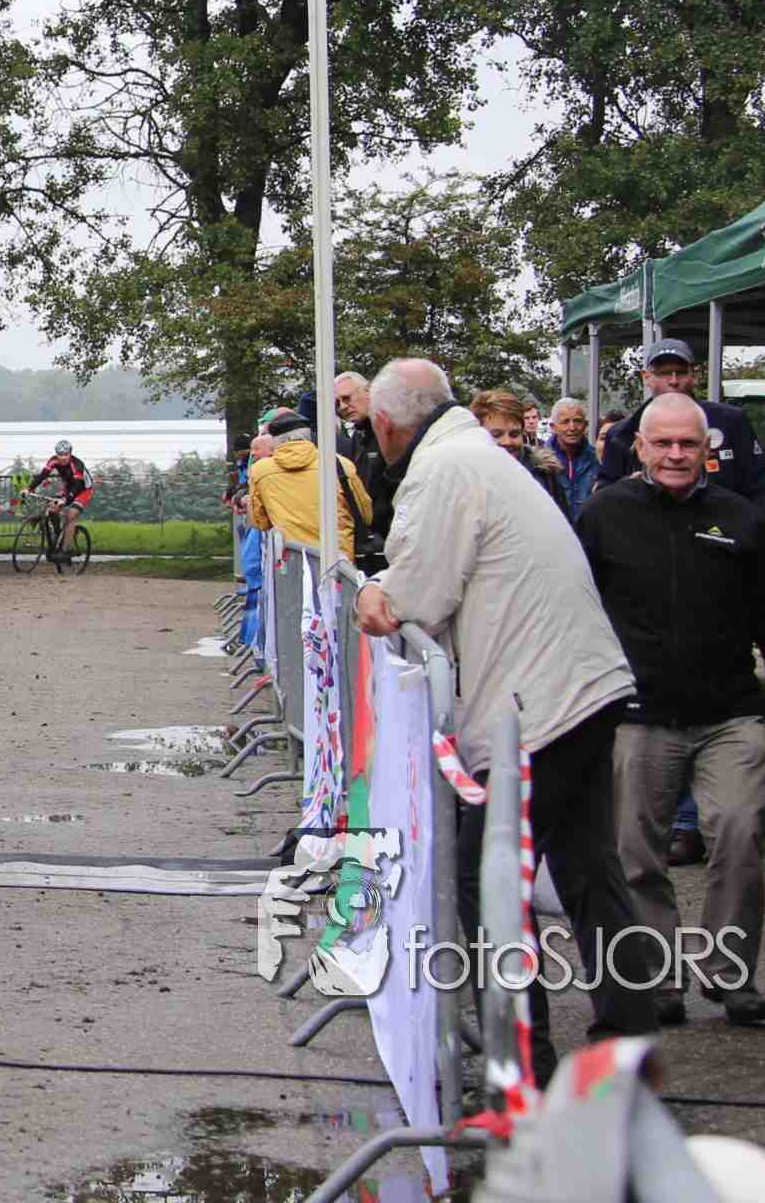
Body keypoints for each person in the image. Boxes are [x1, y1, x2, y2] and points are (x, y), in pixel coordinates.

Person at [354, 358, 660, 1073]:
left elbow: (418, 598)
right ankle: (628, 1032)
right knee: (587, 868)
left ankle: (523, 1062)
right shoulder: (478, 455)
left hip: (539, 706)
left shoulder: (442, 468)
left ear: (385, 424)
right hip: (583, 688)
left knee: (483, 878)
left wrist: (373, 593)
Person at [577, 392, 765, 1028]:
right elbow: (574, 613)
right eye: (663, 443)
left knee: (741, 834)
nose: (676, 454)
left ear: (708, 449)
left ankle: (729, 972)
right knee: (637, 855)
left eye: (688, 443)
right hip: (637, 714)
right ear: (640, 447)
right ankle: (658, 978)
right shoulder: (604, 515)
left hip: (728, 713)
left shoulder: (741, 518)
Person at [598, 338, 765, 501]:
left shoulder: (730, 422)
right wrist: (628, 487)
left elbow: (758, 490)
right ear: (646, 377)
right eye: (664, 373)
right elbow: (603, 495)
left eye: (681, 372)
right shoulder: (621, 433)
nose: (673, 381)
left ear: (694, 376)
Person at [245, 406, 371, 558]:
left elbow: (260, 522)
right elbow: (365, 514)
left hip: (292, 561)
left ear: (274, 441)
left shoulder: (260, 471)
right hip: (338, 560)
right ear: (308, 435)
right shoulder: (340, 464)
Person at [471, 387, 569, 513]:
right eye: (496, 435)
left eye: (514, 434)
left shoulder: (545, 474)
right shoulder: (465, 480)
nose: (507, 441)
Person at [333, 372, 390, 568]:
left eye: (347, 398)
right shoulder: (359, 437)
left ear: (368, 391)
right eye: (337, 403)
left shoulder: (389, 430)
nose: (342, 407)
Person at [28, 439, 94, 558]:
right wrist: (29, 488)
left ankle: (65, 551)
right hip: (69, 487)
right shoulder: (53, 460)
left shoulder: (77, 464)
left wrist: (66, 500)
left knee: (71, 515)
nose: (62, 458)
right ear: (56, 454)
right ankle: (58, 533)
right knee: (52, 508)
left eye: (65, 454)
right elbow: (43, 475)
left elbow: (77, 485)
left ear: (70, 453)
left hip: (83, 489)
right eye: (60, 454)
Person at [544, 396, 600, 521]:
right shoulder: (541, 461)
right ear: (553, 427)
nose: (572, 427)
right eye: (565, 422)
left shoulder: (597, 459)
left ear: (585, 425)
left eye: (577, 421)